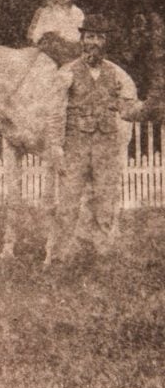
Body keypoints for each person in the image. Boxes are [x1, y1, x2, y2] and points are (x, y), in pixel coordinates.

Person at [48, 14, 146, 261]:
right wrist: (57, 148)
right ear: (82, 40)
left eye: (99, 38)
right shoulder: (67, 72)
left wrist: (150, 108)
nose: (94, 42)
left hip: (106, 146)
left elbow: (128, 110)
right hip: (75, 146)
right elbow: (55, 112)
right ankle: (62, 256)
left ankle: (103, 255)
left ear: (105, 42)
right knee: (69, 202)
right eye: (89, 36)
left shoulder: (117, 74)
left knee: (105, 200)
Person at [28, 0, 84, 66]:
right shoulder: (47, 11)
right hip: (49, 49)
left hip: (70, 49)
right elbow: (37, 34)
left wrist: (63, 37)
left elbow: (77, 35)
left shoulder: (77, 13)